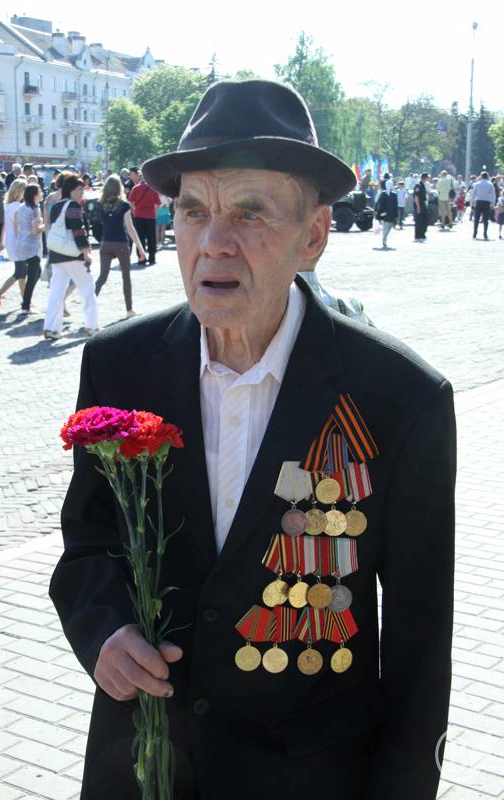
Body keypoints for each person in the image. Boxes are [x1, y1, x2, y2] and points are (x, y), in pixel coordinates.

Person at [50, 80, 456, 800]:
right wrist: (103, 631)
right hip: (141, 765)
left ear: (313, 236)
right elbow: (89, 539)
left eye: (249, 212)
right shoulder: (119, 364)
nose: (213, 242)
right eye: (193, 210)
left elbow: (419, 647)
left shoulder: (400, 397)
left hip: (305, 776)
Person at [43, 175, 98, 340]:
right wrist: (85, 252)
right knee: (87, 289)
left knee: (56, 292)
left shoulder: (56, 206)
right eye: (80, 189)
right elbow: (78, 230)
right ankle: (92, 326)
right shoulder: (73, 205)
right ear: (71, 190)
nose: (82, 193)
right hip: (73, 254)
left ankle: (51, 328)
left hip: (57, 254)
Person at [95, 174, 145, 318]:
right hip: (121, 243)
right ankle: (129, 310)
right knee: (126, 277)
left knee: (102, 277)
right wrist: (140, 248)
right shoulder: (124, 205)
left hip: (106, 242)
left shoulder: (100, 205)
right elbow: (130, 229)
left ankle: (89, 305)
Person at [0, 178, 28, 306]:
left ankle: (25, 300)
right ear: (20, 191)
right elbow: (17, 227)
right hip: (17, 242)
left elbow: (5, 225)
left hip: (10, 241)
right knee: (20, 272)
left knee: (21, 272)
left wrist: (2, 241)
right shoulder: (18, 207)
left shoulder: (7, 206)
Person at [9, 184, 44, 313]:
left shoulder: (22, 207)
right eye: (40, 191)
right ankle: (26, 305)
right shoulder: (35, 209)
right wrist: (47, 224)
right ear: (34, 195)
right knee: (33, 276)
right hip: (32, 247)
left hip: (22, 244)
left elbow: (17, 225)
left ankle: (26, 300)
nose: (42, 193)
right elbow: (36, 230)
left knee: (37, 273)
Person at [128, 176, 160, 265]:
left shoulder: (135, 188)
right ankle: (152, 257)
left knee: (140, 237)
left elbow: (130, 201)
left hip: (138, 215)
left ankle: (141, 258)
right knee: (151, 237)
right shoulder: (154, 189)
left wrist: (133, 209)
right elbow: (158, 203)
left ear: (140, 179)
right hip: (150, 215)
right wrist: (155, 211)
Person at [471, 171, 497, 240]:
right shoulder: (490, 184)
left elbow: (473, 194)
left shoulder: (477, 184)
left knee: (476, 219)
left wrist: (472, 203)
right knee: (486, 219)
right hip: (486, 202)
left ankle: (474, 234)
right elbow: (493, 195)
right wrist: (493, 203)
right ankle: (485, 234)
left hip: (478, 202)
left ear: (481, 176)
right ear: (487, 176)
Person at [374, 180, 398, 249]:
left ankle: (384, 237)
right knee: (387, 226)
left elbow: (395, 205)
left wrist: (377, 211)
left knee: (388, 226)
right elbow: (380, 203)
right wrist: (378, 211)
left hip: (388, 213)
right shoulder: (385, 194)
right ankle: (384, 238)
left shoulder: (393, 194)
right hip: (387, 213)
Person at [413, 172, 429, 241]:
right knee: (419, 220)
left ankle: (422, 234)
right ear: (425, 178)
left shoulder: (423, 185)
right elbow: (416, 196)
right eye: (427, 178)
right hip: (419, 204)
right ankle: (418, 235)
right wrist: (418, 207)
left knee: (424, 220)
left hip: (422, 203)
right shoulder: (418, 185)